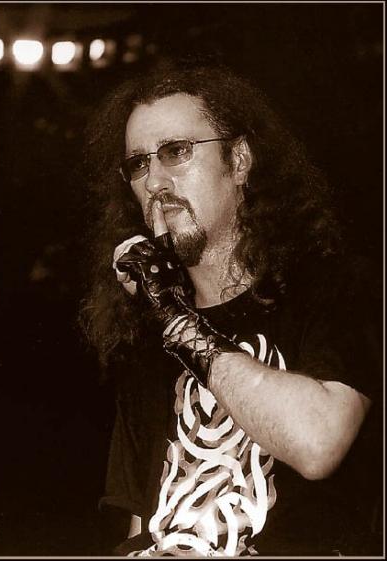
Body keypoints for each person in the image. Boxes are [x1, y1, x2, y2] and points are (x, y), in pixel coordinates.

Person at [80, 60, 382, 557]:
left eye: (176, 152)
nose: (154, 181)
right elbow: (141, 523)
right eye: (138, 164)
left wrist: (177, 322)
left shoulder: (335, 287)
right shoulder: (145, 336)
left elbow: (318, 443)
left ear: (239, 161)